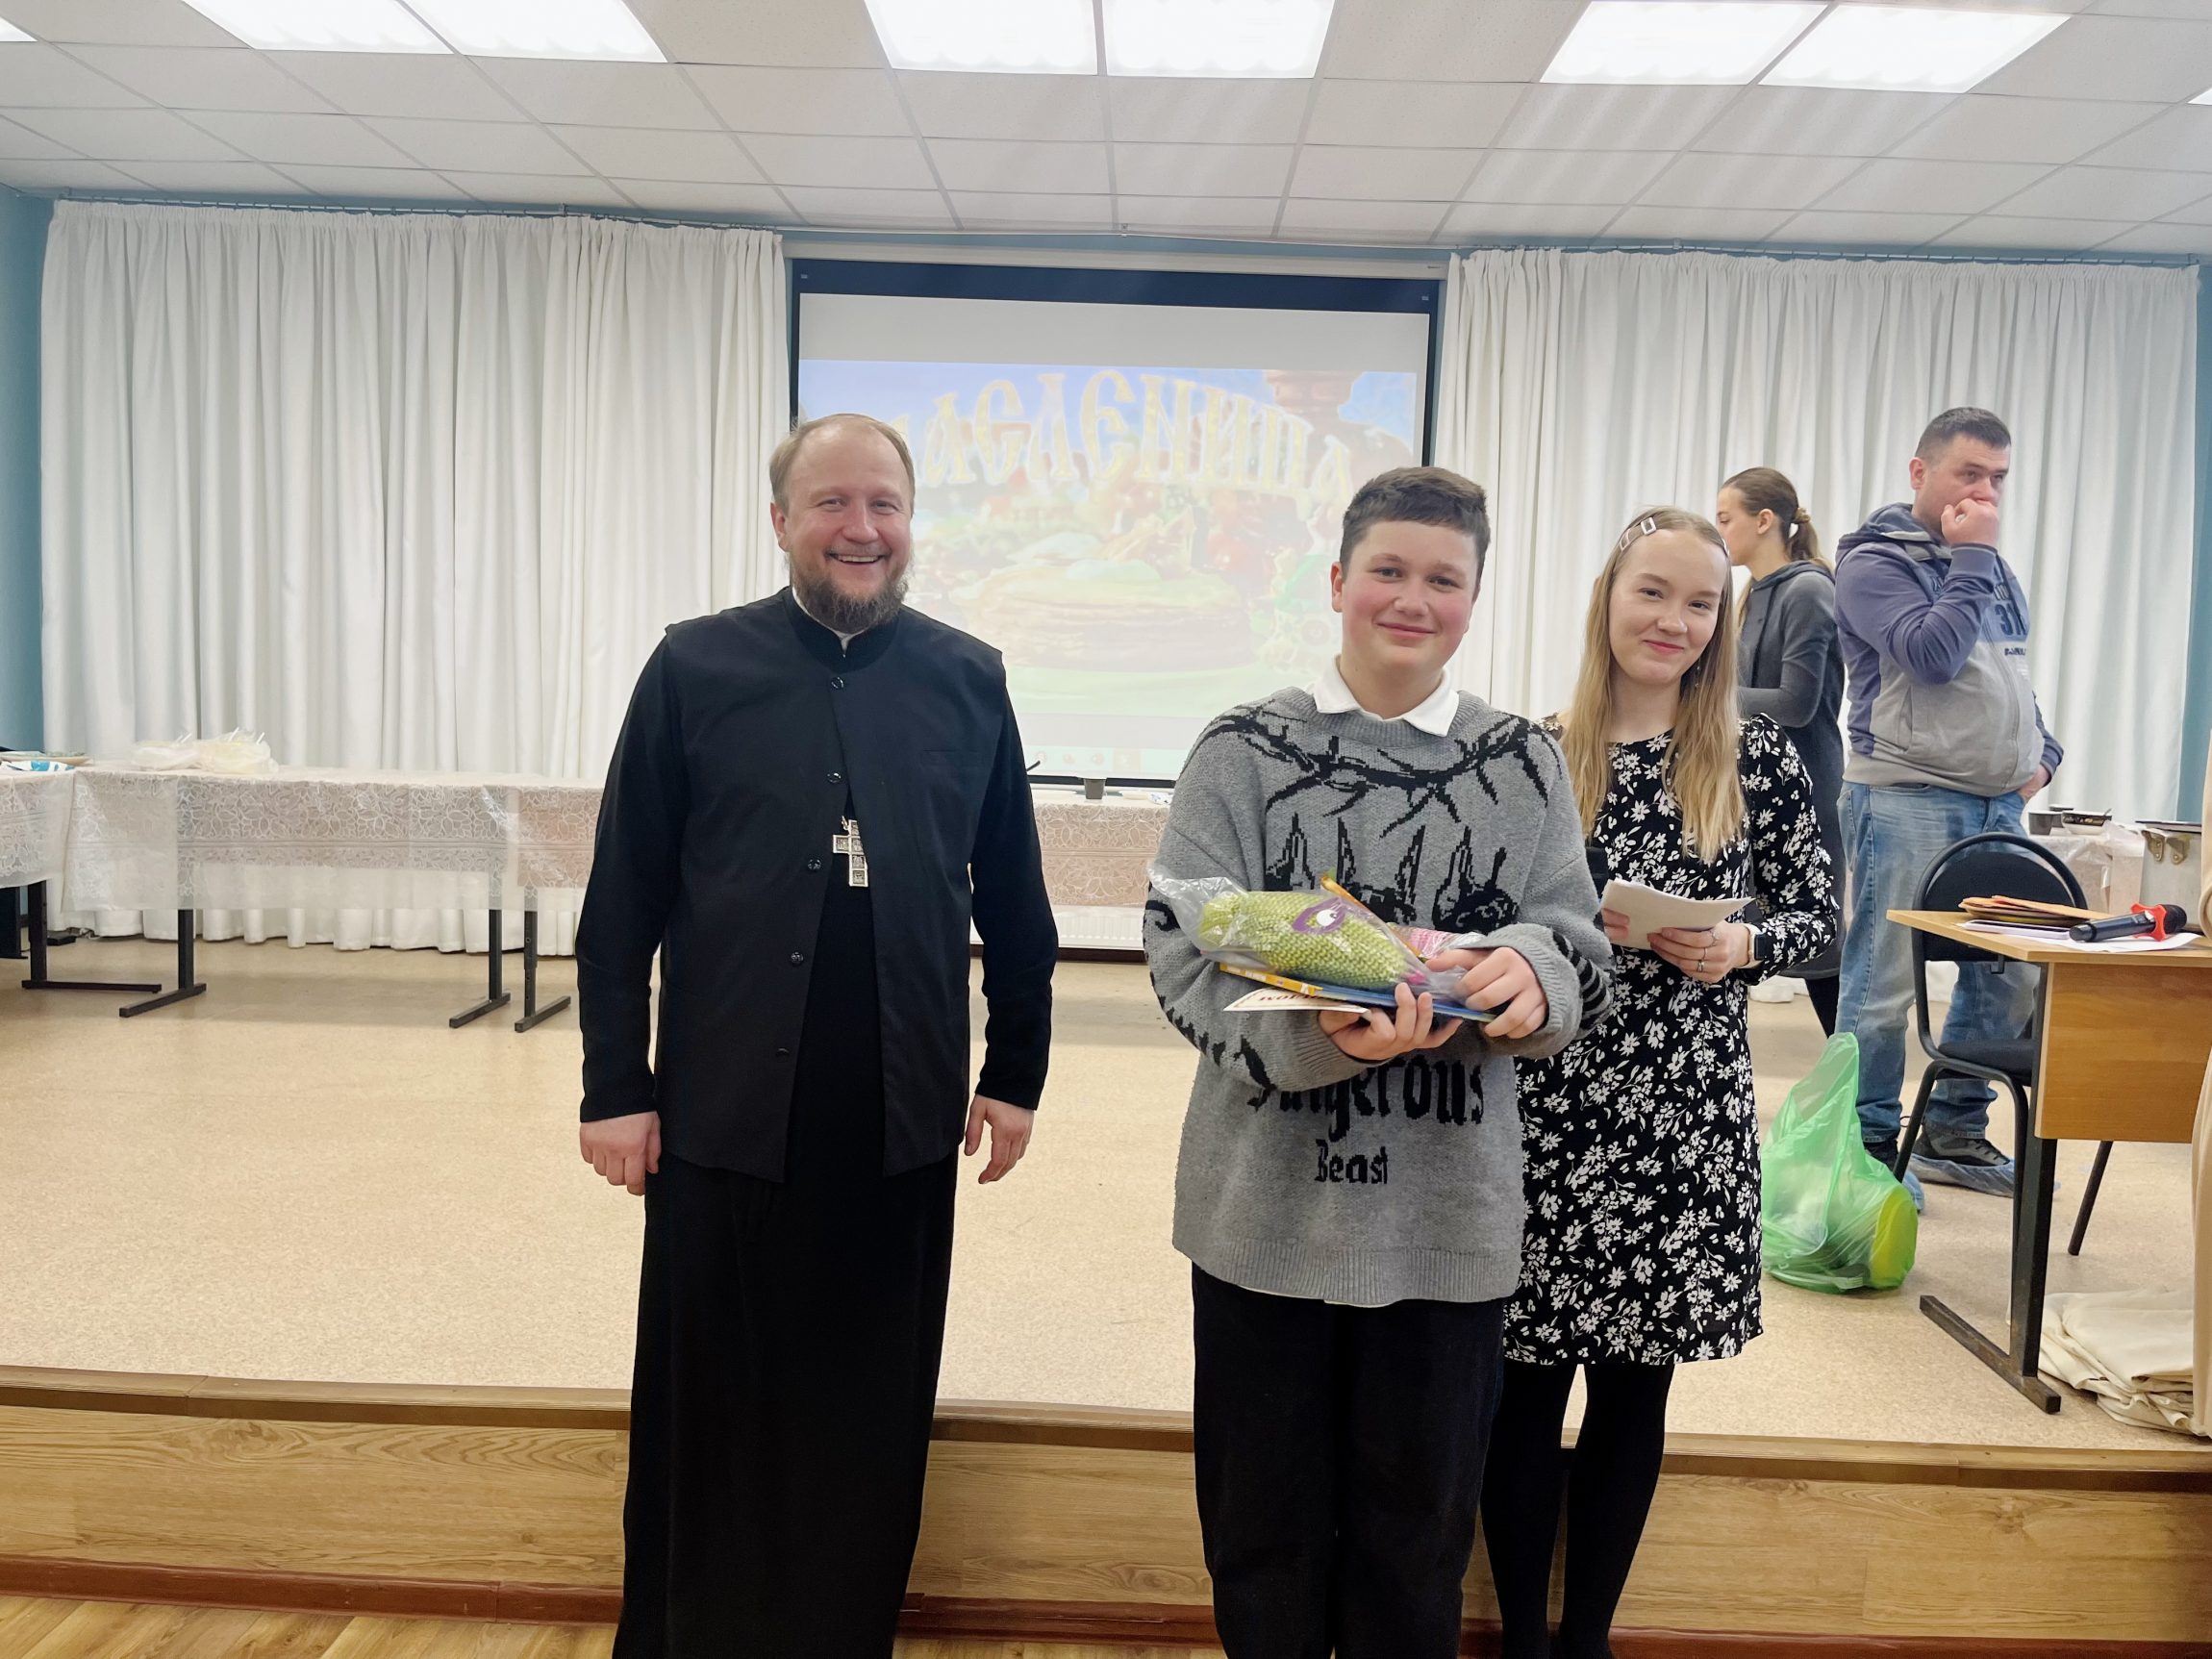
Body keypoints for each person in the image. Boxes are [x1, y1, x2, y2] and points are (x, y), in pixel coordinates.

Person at [575, 414, 1058, 1658]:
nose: (861, 527)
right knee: (712, 1401)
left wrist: (1014, 1072)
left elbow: (1013, 897)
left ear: (910, 521)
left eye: (883, 503)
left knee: (866, 1409)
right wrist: (615, 1085)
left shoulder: (967, 677)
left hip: (896, 1115)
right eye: (832, 502)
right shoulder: (694, 667)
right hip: (724, 1110)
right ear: (781, 519)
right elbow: (622, 896)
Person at [1144, 466, 1615, 1659]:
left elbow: (1574, 940)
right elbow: (1180, 950)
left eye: (1441, 579)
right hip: (1262, 1221)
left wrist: (1529, 974)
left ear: (1473, 598)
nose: (1411, 599)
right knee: (1259, 1538)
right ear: (1336, 580)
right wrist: (1318, 1038)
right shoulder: (1240, 749)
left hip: (1444, 1228)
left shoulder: (1520, 760)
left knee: (1415, 1550)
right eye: (1387, 571)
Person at [1482, 508, 1837, 1659]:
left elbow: (1818, 920)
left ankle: (1584, 1639)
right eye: (1652, 593)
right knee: (1521, 1392)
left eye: (1699, 603)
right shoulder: (1533, 752)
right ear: (1608, 597)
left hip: (1679, 1115)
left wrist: (1741, 945)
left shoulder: (1752, 753)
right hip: (1543, 1105)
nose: (1673, 621)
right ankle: (1523, 1640)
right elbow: (1479, 915)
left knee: (1633, 1394)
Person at [1833, 408, 2060, 1199]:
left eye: (1998, 478)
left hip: (1998, 803)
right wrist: (1972, 556)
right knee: (1885, 983)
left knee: (2009, 976)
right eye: (1970, 473)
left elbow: (2009, 673)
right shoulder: (1872, 563)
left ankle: (1953, 1132)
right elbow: (1932, 656)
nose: (1986, 493)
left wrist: (2043, 756)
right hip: (1907, 795)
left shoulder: (1987, 561)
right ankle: (1863, 1147)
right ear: (1919, 472)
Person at [1718, 465, 1844, 1034]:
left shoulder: (1809, 590)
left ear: (1765, 520)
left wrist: (1701, 697)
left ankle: (1857, 1079)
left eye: (1726, 519)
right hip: (1752, 784)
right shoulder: (1753, 593)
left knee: (1821, 950)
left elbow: (1796, 703)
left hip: (1806, 785)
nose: (1719, 530)